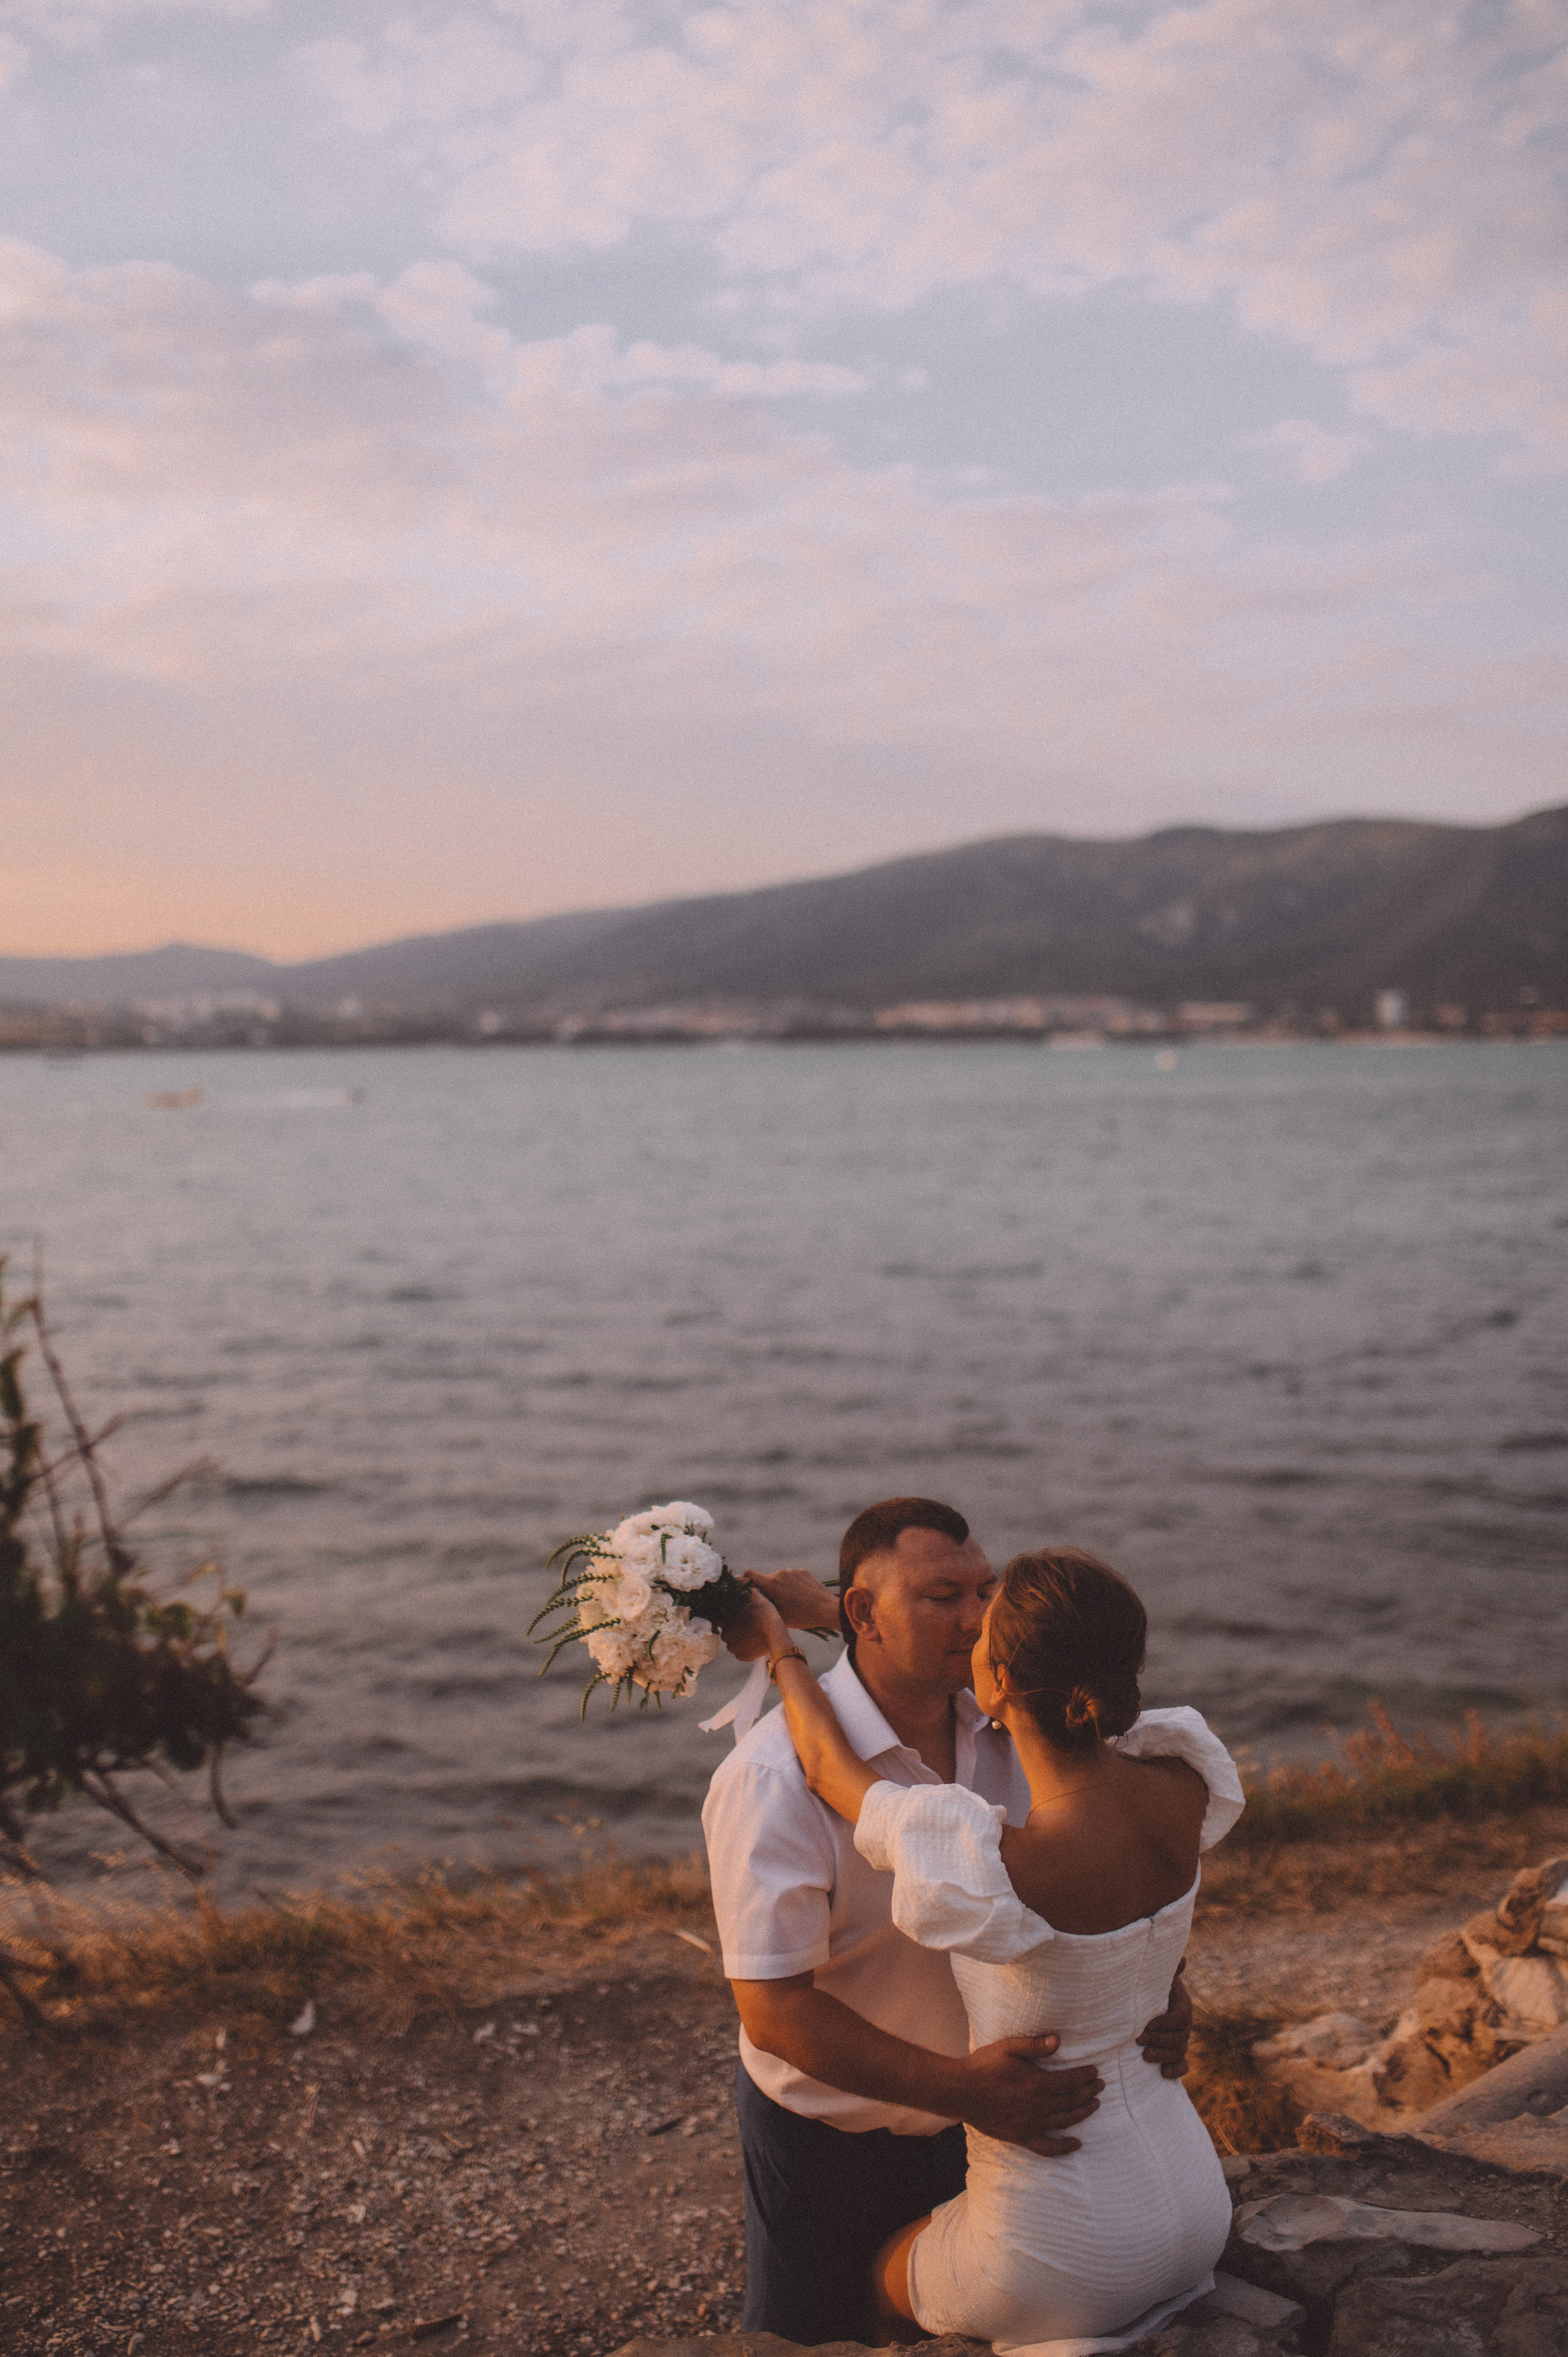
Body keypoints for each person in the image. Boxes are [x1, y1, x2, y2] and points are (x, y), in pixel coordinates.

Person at [700, 1498, 1195, 2346]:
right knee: (808, 2336)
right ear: (863, 1613)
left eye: (985, 1593)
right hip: (834, 2140)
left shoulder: (1034, 1725)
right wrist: (958, 2087)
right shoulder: (769, 1779)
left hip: (1001, 2129)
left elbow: (1111, 1862)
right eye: (941, 1598)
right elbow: (774, 2011)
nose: (978, 1619)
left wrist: (1162, 1980)